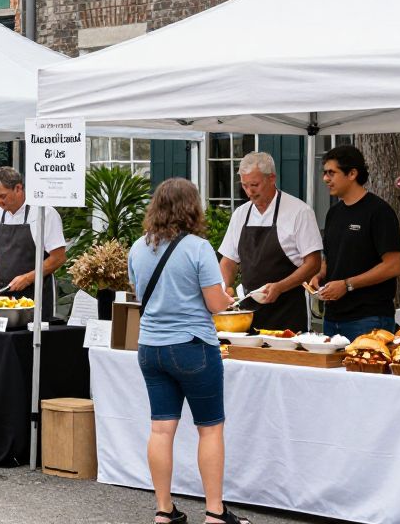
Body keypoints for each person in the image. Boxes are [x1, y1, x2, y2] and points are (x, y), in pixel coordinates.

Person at [129, 178, 250, 524]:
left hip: (150, 346)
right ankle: (214, 512)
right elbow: (215, 304)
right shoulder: (198, 248)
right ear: (192, 208)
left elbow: (141, 295)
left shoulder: (138, 247)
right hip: (193, 347)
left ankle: (164, 511)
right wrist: (226, 297)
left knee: (160, 430)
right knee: (209, 429)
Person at [218, 152, 322, 332]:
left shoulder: (299, 212)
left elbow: (313, 263)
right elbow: (228, 260)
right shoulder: (240, 214)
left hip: (288, 312)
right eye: (245, 186)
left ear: (272, 178)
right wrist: (223, 288)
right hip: (248, 313)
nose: (250, 191)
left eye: (255, 185)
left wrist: (280, 287)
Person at [312, 145, 400, 339]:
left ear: (352, 173)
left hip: (369, 318)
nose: (325, 179)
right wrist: (320, 275)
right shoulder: (333, 213)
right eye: (325, 173)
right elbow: (331, 257)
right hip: (331, 318)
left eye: (331, 173)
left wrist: (347, 285)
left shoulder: (379, 212)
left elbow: (394, 266)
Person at [0, 166, 66, 320]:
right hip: (3, 296)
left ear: (18, 188)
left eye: (2, 196)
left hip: (36, 294)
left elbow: (58, 258)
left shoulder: (44, 213)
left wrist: (28, 278)